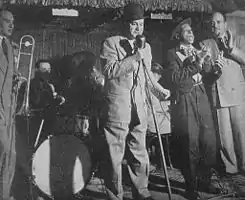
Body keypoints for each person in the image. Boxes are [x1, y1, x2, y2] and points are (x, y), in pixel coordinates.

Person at [100, 3, 169, 200]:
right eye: (133, 24)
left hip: (139, 108)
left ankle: (142, 192)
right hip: (118, 108)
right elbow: (109, 71)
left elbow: (148, 77)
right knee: (115, 155)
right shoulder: (111, 43)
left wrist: (160, 91)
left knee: (139, 152)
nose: (138, 29)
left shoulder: (146, 47)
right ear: (125, 24)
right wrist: (133, 58)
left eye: (140, 24)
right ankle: (115, 195)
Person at [166, 18, 223, 200]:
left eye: (192, 30)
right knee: (190, 143)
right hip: (185, 99)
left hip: (202, 96)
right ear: (178, 35)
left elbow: (207, 77)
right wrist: (195, 64)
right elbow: (175, 79)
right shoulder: (172, 54)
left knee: (209, 141)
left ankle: (205, 181)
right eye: (186, 31)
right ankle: (191, 187)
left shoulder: (199, 50)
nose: (191, 33)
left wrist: (215, 71)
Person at [200, 12, 245, 175]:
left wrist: (231, 49)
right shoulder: (205, 44)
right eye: (212, 23)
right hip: (218, 94)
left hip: (237, 93)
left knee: (242, 133)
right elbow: (204, 72)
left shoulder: (239, 39)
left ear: (225, 24)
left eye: (219, 22)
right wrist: (213, 72)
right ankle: (231, 167)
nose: (216, 26)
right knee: (224, 135)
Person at [0, 9, 17, 200]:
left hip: (8, 108)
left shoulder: (9, 47)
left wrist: (16, 79)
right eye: (6, 21)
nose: (11, 25)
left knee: (10, 155)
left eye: (13, 22)